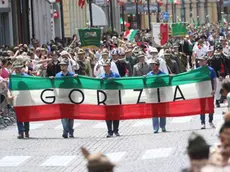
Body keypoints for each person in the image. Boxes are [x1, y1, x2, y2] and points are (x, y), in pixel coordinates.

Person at [54, 59, 78, 138]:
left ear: (67, 66)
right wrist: (51, 79)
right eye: (61, 65)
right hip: (61, 98)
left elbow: (77, 85)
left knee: (70, 116)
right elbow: (54, 85)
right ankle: (65, 130)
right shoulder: (57, 75)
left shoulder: (72, 75)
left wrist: (76, 78)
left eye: (64, 65)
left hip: (71, 98)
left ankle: (70, 130)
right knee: (63, 115)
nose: (62, 66)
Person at [100, 60, 121, 138]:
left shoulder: (116, 75)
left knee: (116, 114)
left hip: (115, 97)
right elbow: (99, 86)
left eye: (106, 66)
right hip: (107, 98)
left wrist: (114, 81)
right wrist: (101, 81)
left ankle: (116, 130)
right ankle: (109, 131)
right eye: (104, 67)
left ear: (109, 67)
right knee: (108, 115)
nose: (105, 68)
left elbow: (121, 84)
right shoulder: (102, 76)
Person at [9, 59, 30, 139]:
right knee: (19, 116)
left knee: (26, 116)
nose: (17, 69)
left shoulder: (26, 76)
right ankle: (20, 132)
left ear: (21, 68)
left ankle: (26, 130)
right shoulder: (12, 77)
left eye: (19, 68)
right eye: (16, 68)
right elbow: (9, 88)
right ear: (14, 68)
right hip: (17, 98)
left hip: (26, 97)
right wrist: (9, 95)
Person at [146, 59, 166, 133]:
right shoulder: (149, 75)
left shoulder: (163, 75)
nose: (152, 66)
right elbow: (147, 84)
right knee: (154, 112)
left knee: (162, 111)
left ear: (158, 65)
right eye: (151, 65)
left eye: (154, 64)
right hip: (153, 95)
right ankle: (155, 127)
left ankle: (163, 126)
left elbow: (166, 83)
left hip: (161, 95)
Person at [197, 55, 216, 129]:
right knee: (202, 107)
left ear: (206, 61)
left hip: (210, 91)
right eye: (200, 60)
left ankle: (210, 120)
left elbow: (214, 80)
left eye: (202, 60)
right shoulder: (197, 70)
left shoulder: (211, 70)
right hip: (201, 91)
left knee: (211, 106)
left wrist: (214, 89)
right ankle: (202, 122)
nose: (201, 62)